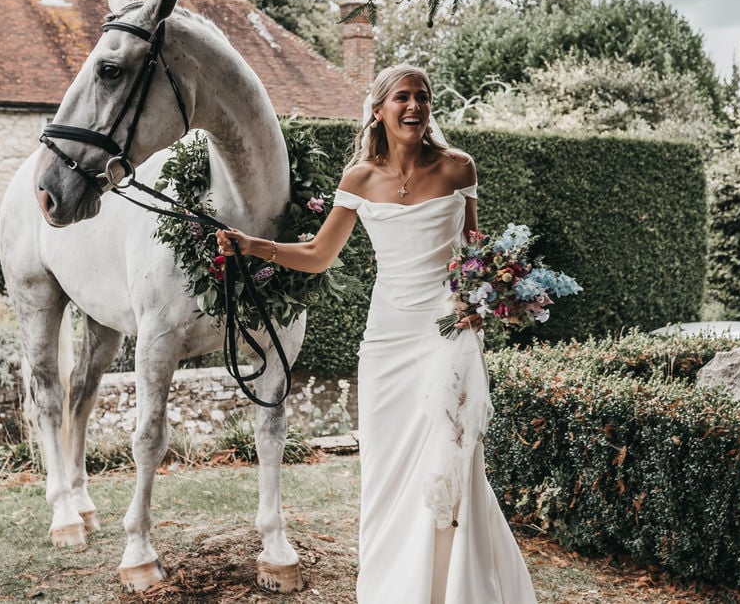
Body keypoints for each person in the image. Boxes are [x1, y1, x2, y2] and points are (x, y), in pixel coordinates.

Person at [216, 64, 537, 604]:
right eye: (403, 98)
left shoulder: (459, 168)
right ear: (379, 109)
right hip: (387, 340)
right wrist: (252, 245)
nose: (414, 107)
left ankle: (455, 591)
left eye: (422, 98)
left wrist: (483, 301)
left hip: (446, 335)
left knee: (451, 460)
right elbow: (319, 255)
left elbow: (475, 253)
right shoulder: (359, 179)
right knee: (387, 470)